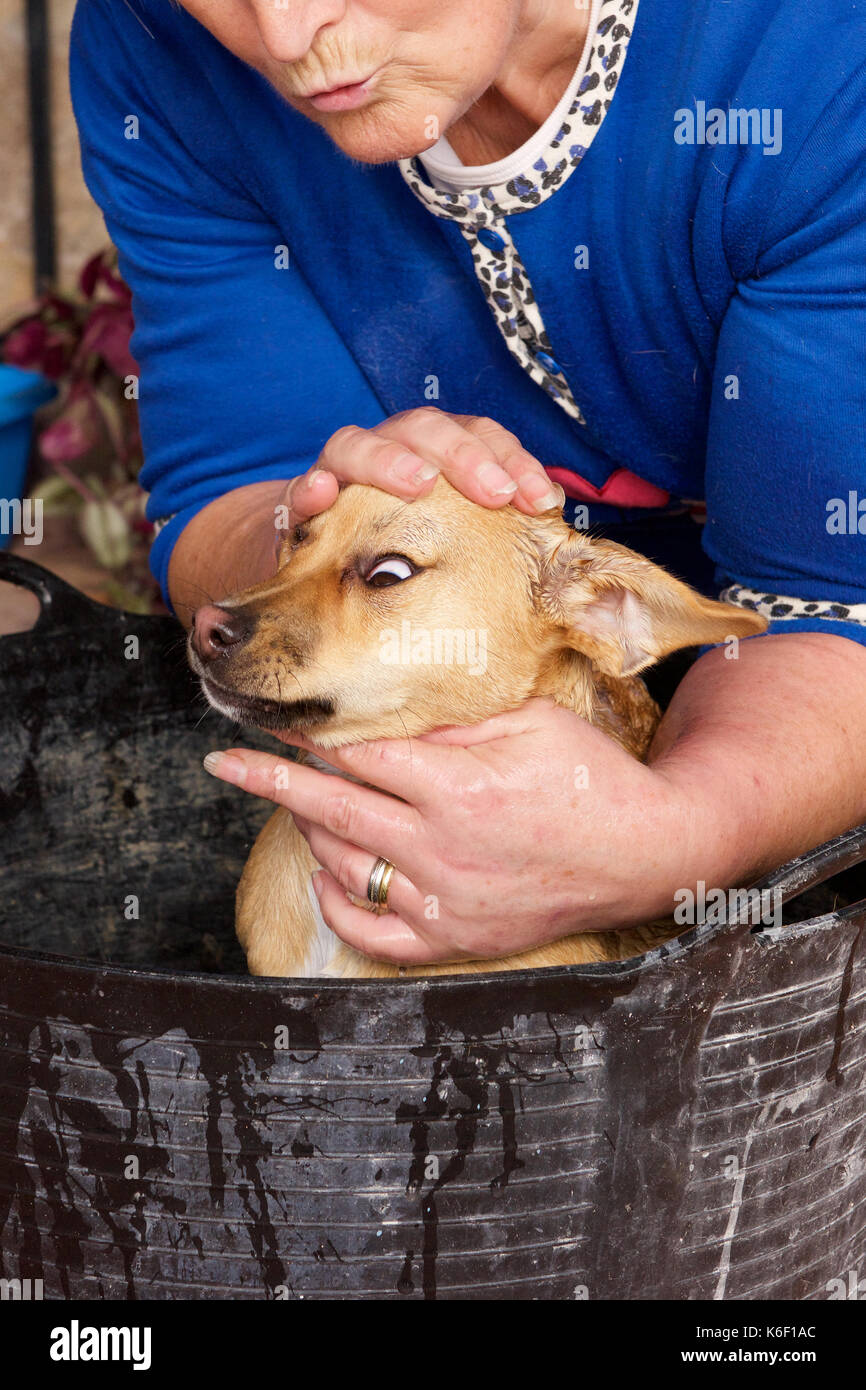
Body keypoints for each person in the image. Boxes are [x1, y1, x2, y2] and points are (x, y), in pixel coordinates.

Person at [69, 0, 866, 968]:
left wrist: (663, 841)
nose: (282, 34)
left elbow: (824, 604)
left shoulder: (811, 52)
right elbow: (231, 485)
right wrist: (317, 538)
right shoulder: (158, 42)